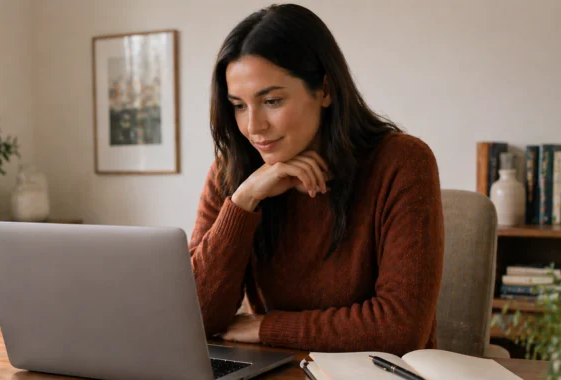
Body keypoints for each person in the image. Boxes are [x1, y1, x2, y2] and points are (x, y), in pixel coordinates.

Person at [189, 3, 444, 355]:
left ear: (325, 89)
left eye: (272, 101)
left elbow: (400, 330)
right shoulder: (231, 172)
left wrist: (267, 327)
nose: (253, 127)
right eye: (239, 105)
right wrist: (243, 202)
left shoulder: (401, 162)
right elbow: (195, 318)